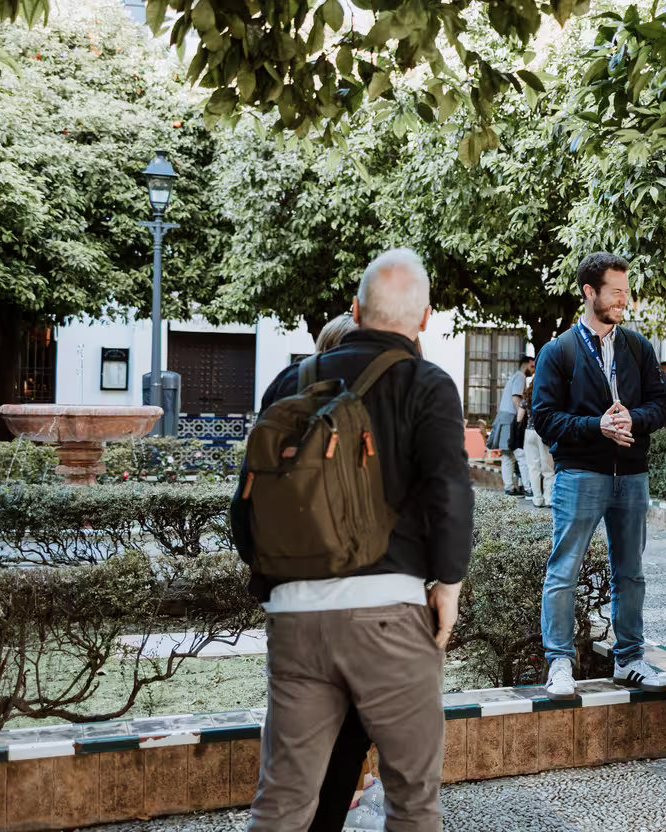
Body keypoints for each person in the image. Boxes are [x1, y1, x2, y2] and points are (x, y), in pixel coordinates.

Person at [233, 248, 473, 832]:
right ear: (425, 319)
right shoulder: (427, 383)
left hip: (295, 616)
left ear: (357, 308)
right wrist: (448, 584)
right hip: (388, 615)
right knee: (412, 801)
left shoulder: (291, 380)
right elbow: (449, 491)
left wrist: (275, 587)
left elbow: (249, 499)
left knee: (282, 802)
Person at [531, 252, 666, 698]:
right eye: (616, 291)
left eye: (626, 292)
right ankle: (559, 665)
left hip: (631, 475)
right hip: (580, 475)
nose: (624, 300)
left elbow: (661, 404)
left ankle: (629, 659)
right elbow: (544, 417)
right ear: (590, 292)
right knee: (564, 570)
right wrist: (598, 426)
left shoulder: (638, 347)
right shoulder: (560, 351)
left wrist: (634, 418)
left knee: (630, 573)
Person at [490, 356, 535, 496]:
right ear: (525, 366)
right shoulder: (521, 376)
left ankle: (509, 487)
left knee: (507, 455)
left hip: (503, 417)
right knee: (520, 454)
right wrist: (520, 419)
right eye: (532, 367)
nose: (533, 371)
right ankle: (528, 488)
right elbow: (516, 398)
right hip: (511, 418)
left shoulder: (513, 377)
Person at [522, 375, 555, 507]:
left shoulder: (527, 398)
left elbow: (519, 417)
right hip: (543, 432)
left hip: (529, 433)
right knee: (548, 468)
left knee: (533, 467)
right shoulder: (546, 396)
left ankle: (537, 499)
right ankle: (548, 499)